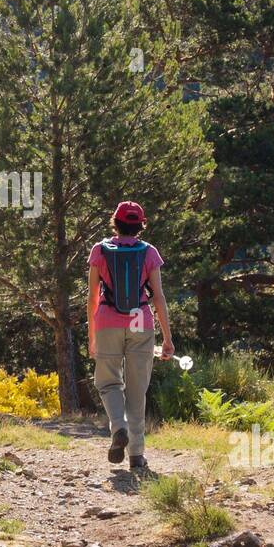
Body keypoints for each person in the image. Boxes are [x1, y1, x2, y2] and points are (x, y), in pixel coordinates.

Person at [87, 201, 173, 470]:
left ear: (116, 222)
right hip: (141, 323)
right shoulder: (149, 252)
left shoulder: (100, 251)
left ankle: (118, 428)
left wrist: (92, 335)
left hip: (107, 322)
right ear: (140, 224)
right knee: (137, 391)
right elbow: (158, 297)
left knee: (109, 383)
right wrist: (167, 338)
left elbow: (92, 297)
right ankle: (136, 455)